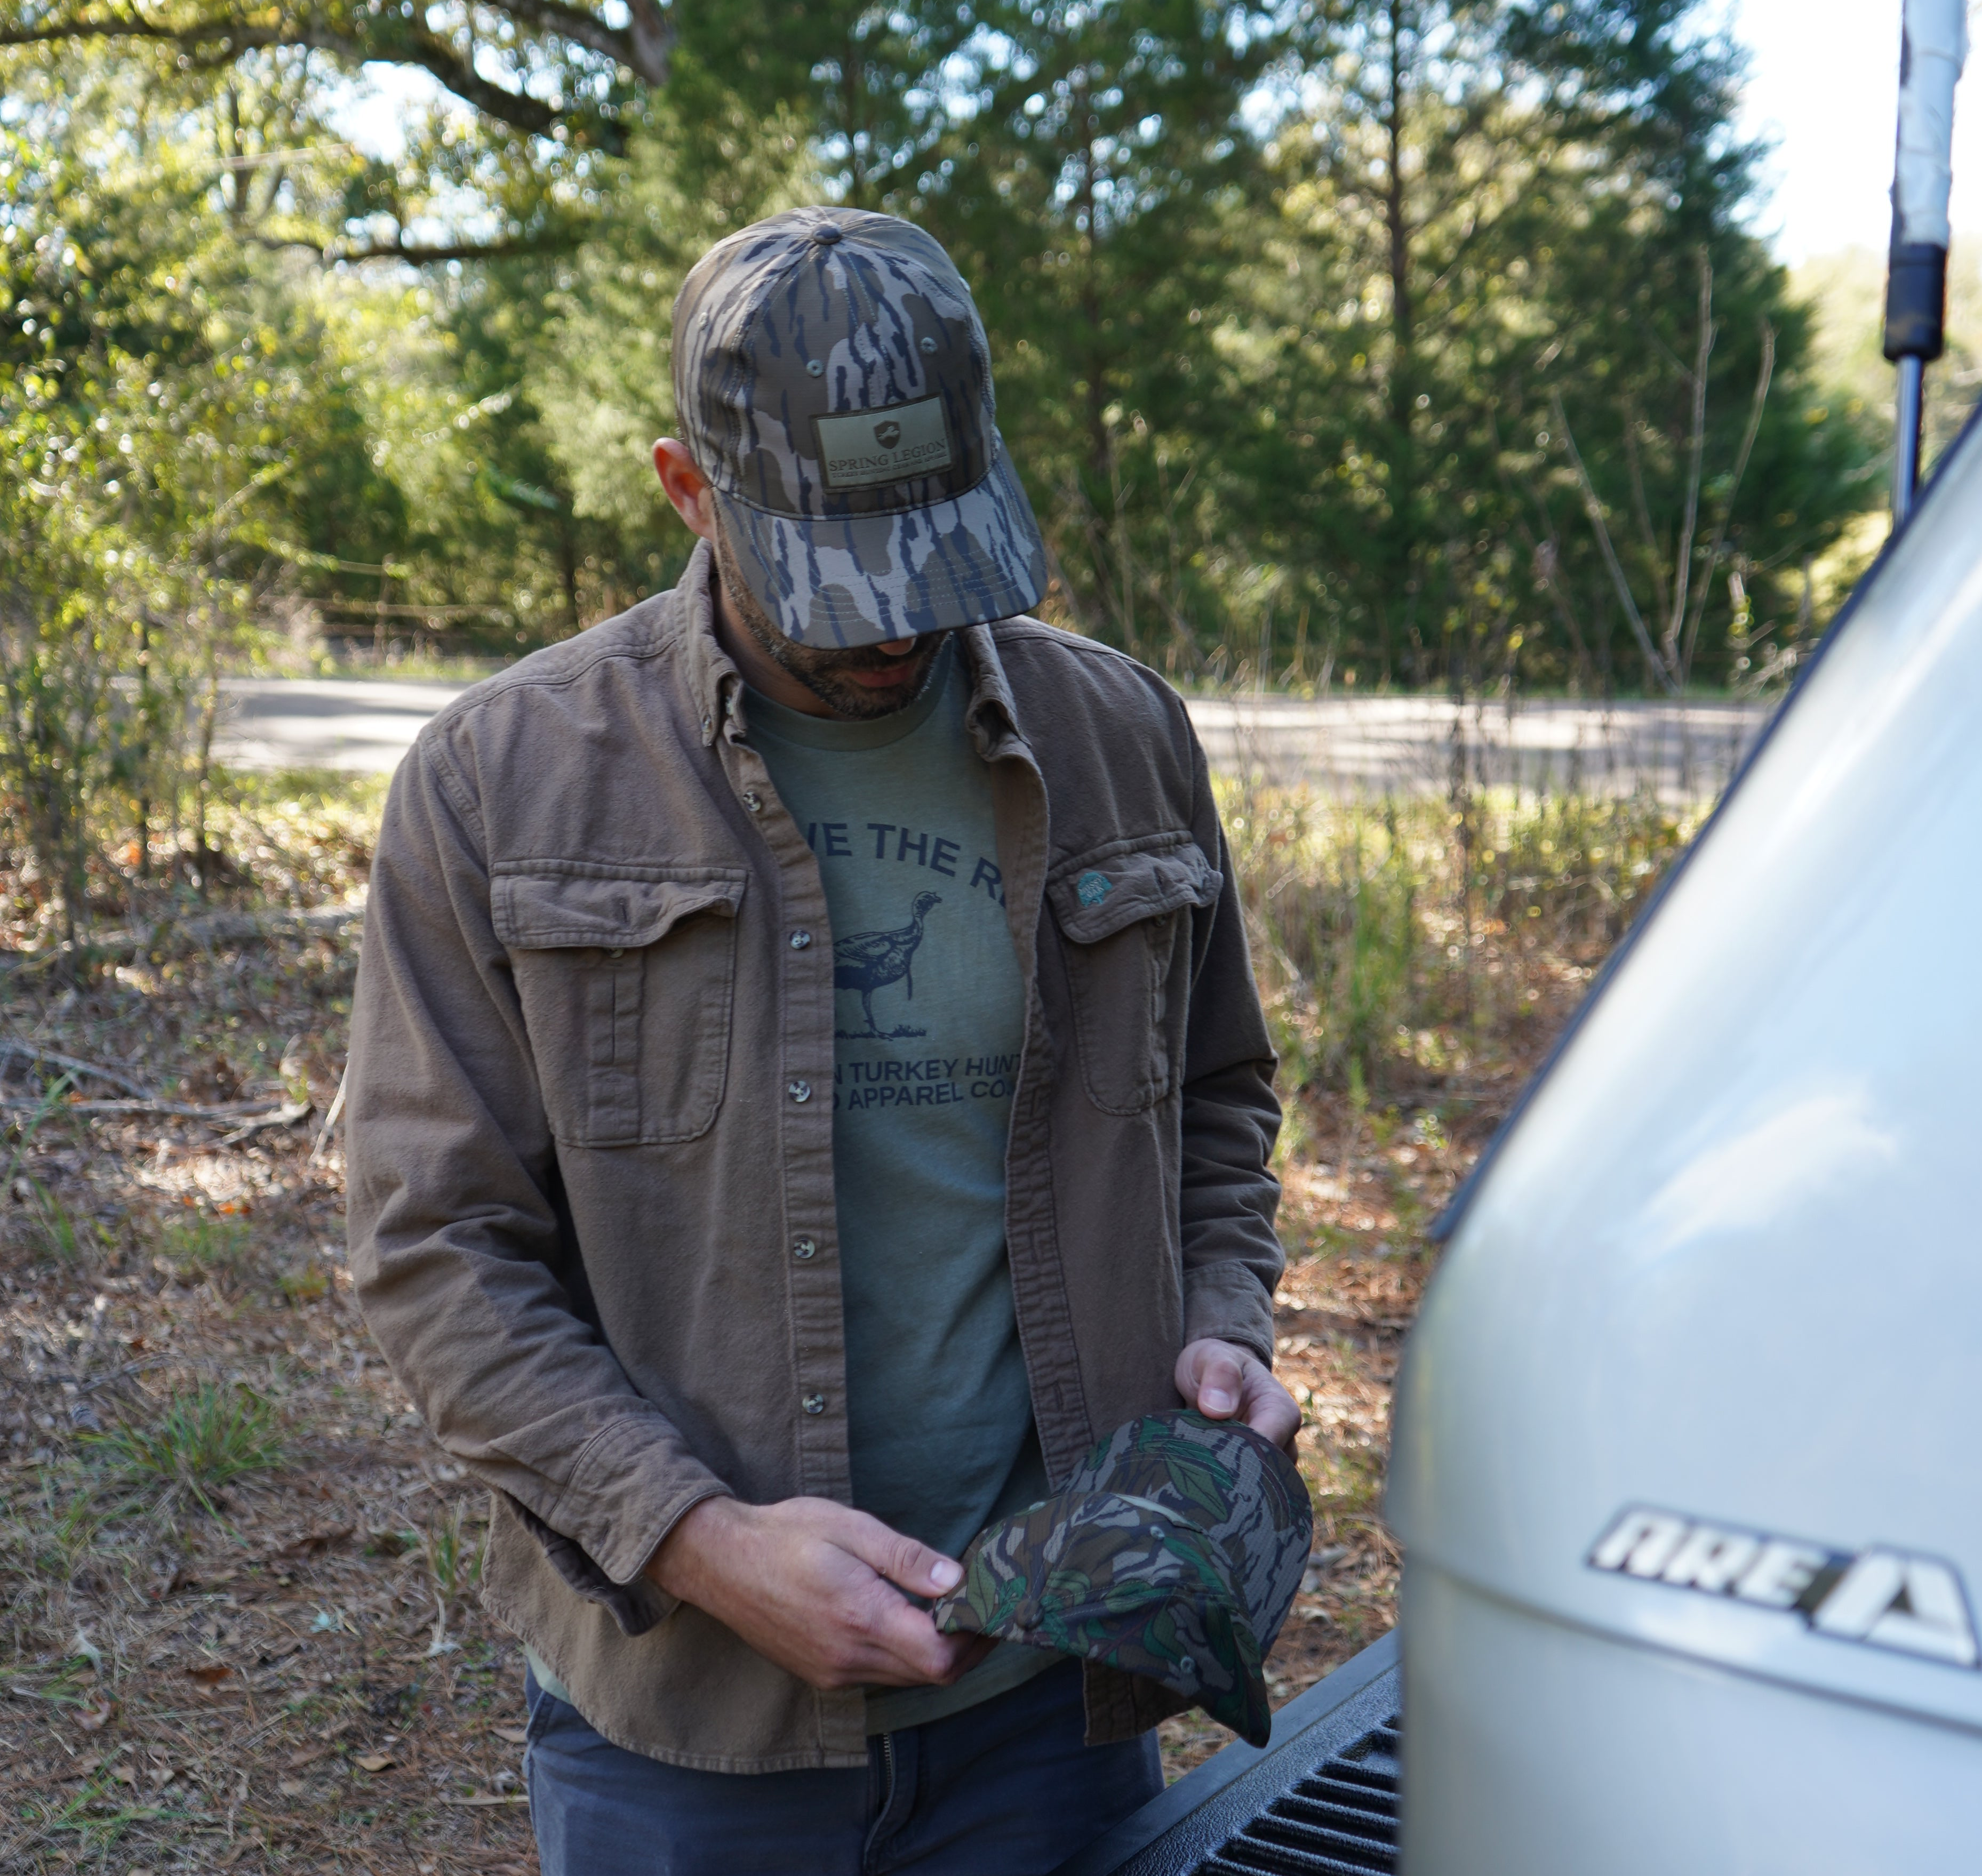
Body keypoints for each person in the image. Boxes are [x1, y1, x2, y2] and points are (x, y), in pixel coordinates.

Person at [344, 206, 1298, 1876]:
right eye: (837, 577)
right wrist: (695, 1539)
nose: (894, 627)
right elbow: (437, 1249)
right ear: (685, 489)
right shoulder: (503, 784)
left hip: (1050, 1706)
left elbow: (1215, 1099)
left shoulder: (1123, 738)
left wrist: (1222, 1322)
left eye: (934, 558)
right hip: (686, 1731)